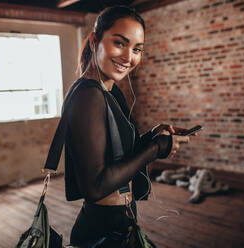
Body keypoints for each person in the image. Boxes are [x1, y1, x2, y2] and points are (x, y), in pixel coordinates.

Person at [61, 6, 192, 247]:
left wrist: (154, 136)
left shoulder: (110, 91)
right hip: (101, 234)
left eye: (137, 49)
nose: (128, 57)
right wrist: (154, 149)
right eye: (120, 43)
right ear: (94, 41)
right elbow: (95, 187)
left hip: (122, 225)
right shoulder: (88, 95)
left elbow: (116, 153)